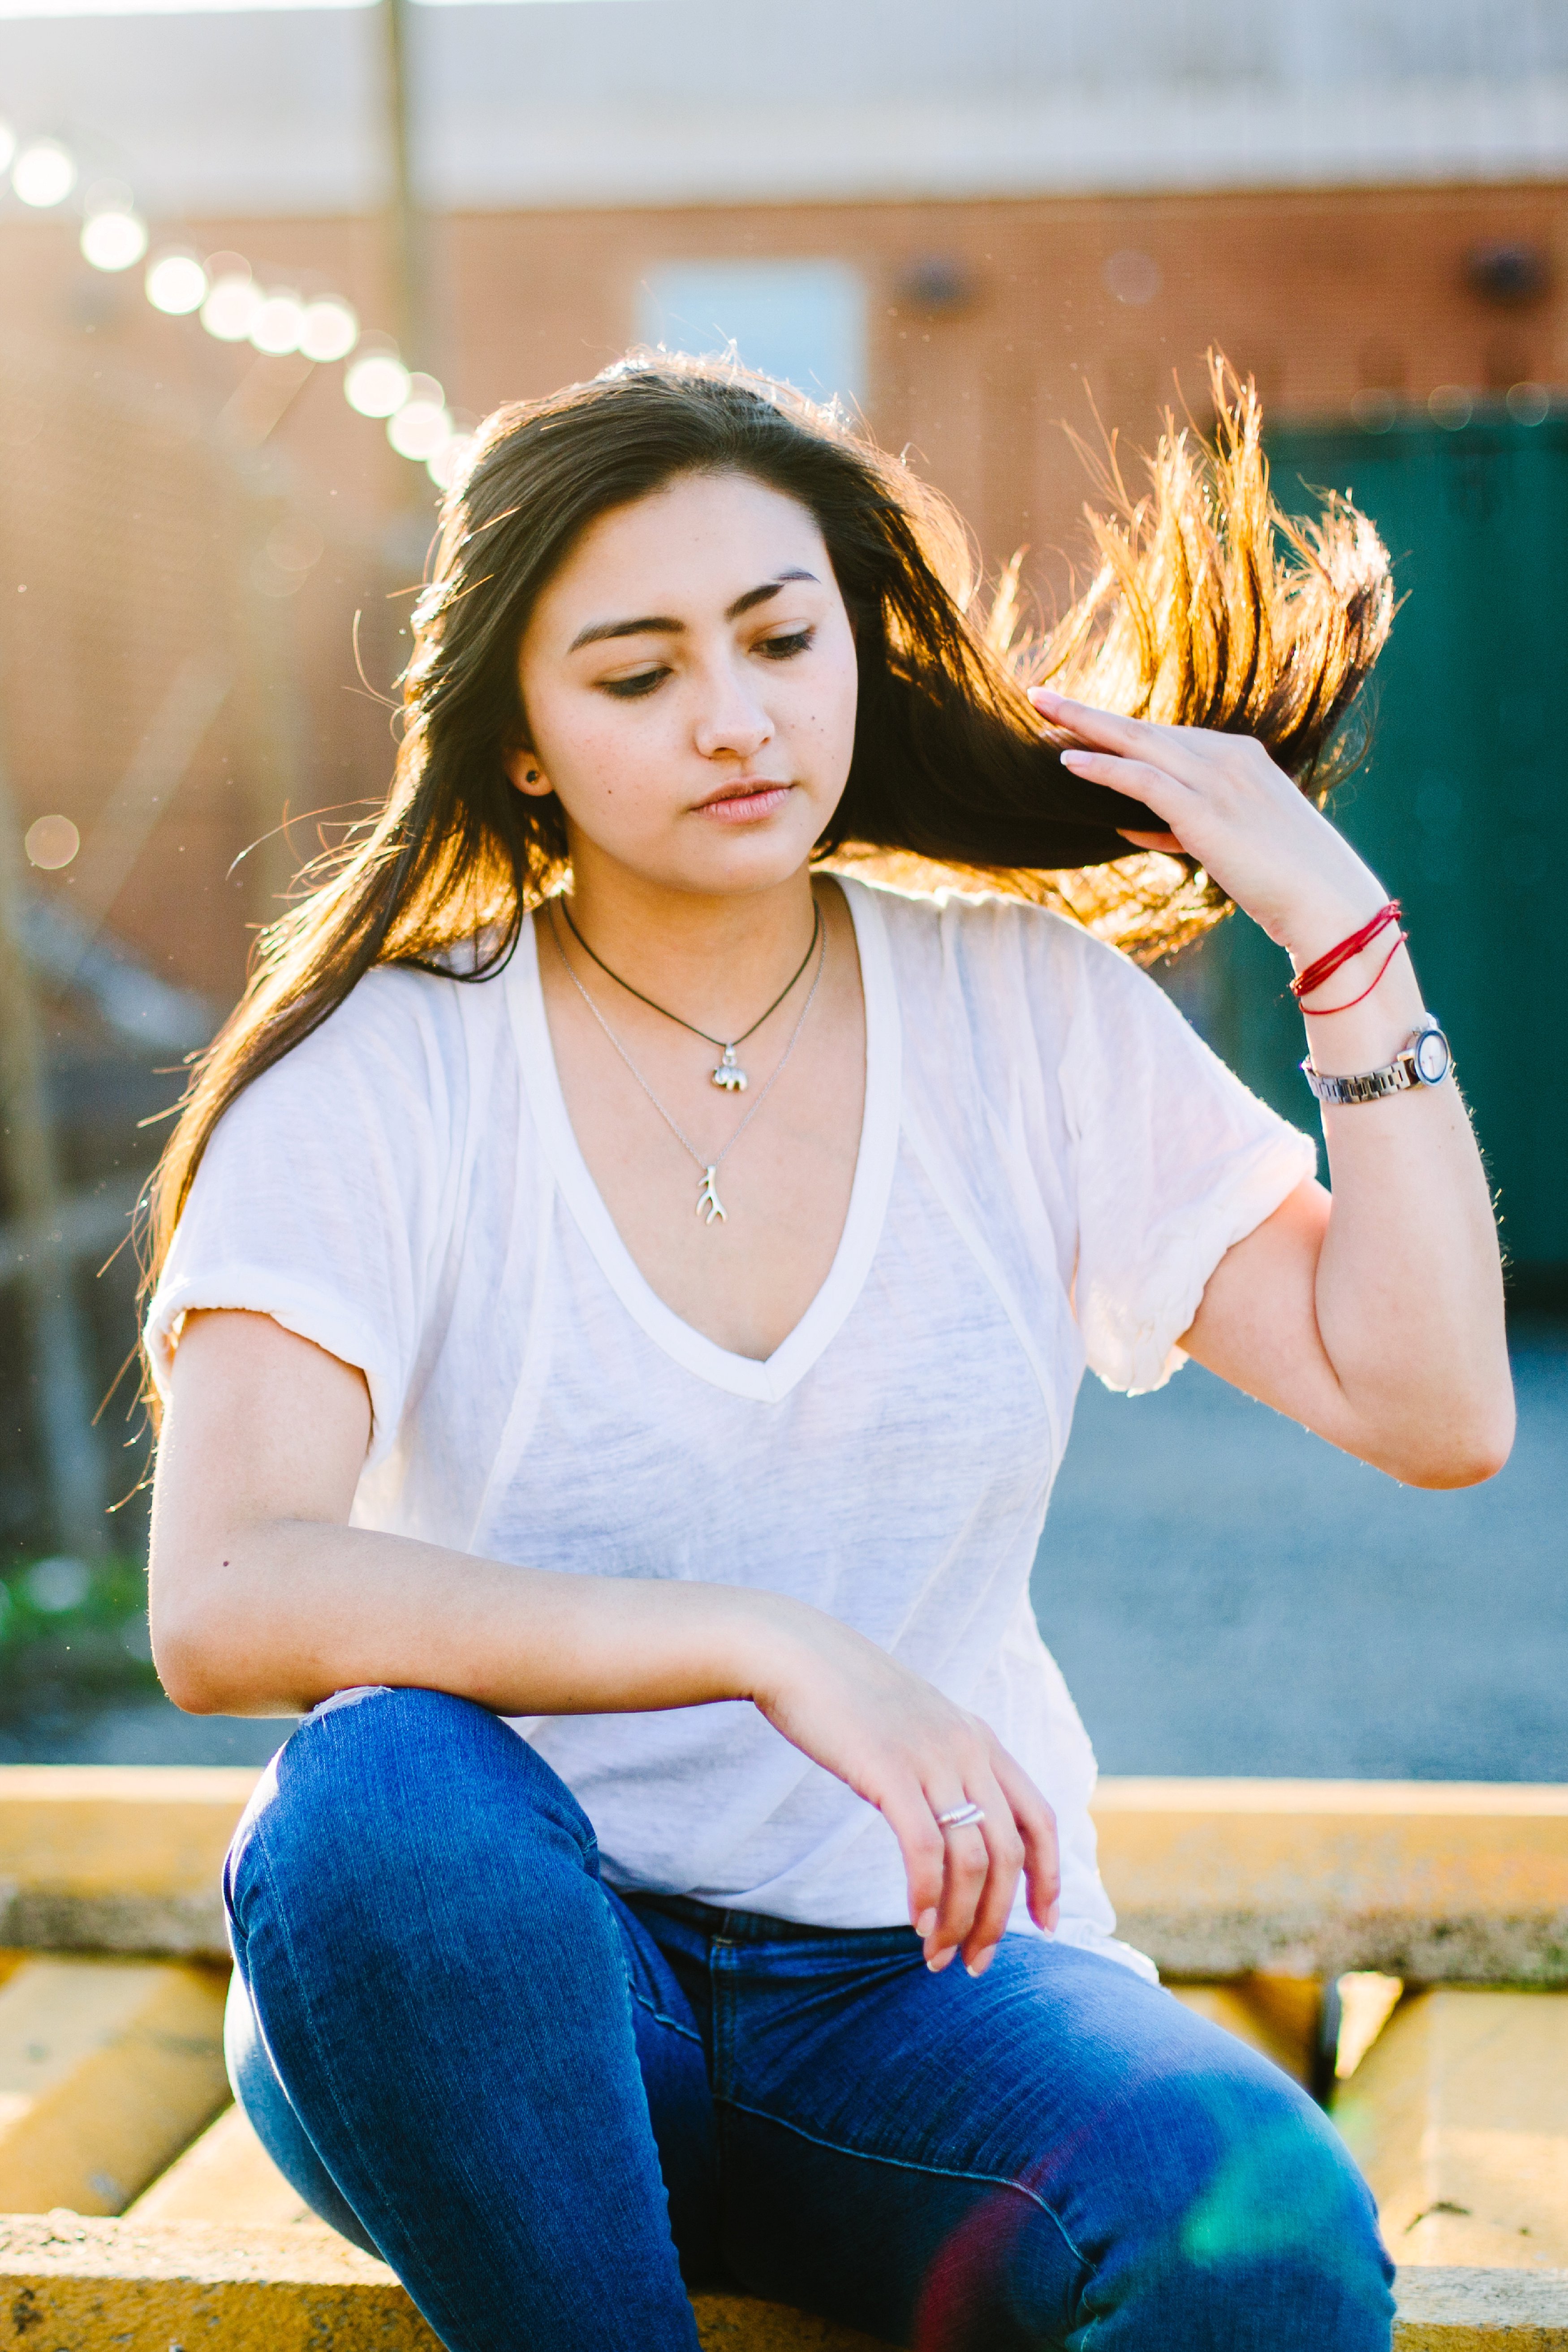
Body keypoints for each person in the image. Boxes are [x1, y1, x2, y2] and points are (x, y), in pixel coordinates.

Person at [143, 355, 1511, 2352]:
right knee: (378, 1800)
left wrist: (1340, 935)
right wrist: (767, 1639)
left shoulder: (1018, 1012)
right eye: (633, 674)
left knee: (1269, 2239)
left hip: (923, 1998)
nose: (734, 714)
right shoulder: (384, 1071)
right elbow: (225, 1589)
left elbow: (1433, 1403)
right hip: (506, 2005)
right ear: (518, 742)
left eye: (780, 636)